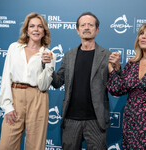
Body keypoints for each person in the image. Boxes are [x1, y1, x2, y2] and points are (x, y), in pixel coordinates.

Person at [42, 12, 118, 150]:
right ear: (77, 30)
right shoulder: (68, 56)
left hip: (96, 120)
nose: (87, 28)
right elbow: (58, 82)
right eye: (83, 25)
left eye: (90, 25)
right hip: (71, 119)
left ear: (97, 29)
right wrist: (47, 66)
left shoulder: (107, 55)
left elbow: (117, 87)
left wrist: (117, 68)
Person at [0, 12, 56, 150]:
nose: (36, 29)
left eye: (39, 26)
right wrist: (7, 106)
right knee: (6, 145)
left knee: (35, 146)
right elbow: (6, 77)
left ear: (44, 31)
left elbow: (43, 85)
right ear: (27, 30)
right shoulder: (14, 48)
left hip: (38, 97)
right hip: (15, 95)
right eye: (32, 26)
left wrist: (45, 65)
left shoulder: (49, 54)